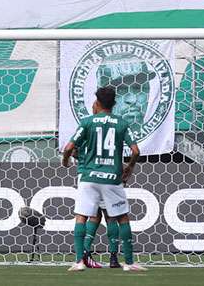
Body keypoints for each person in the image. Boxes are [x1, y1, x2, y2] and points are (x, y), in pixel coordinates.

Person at [61, 86, 145, 272]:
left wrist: (65, 161)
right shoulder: (121, 124)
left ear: (97, 102)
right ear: (115, 103)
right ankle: (129, 263)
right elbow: (136, 151)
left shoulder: (87, 122)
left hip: (89, 176)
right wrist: (129, 167)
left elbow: (68, 147)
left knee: (82, 216)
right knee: (121, 217)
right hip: (111, 177)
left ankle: (79, 262)